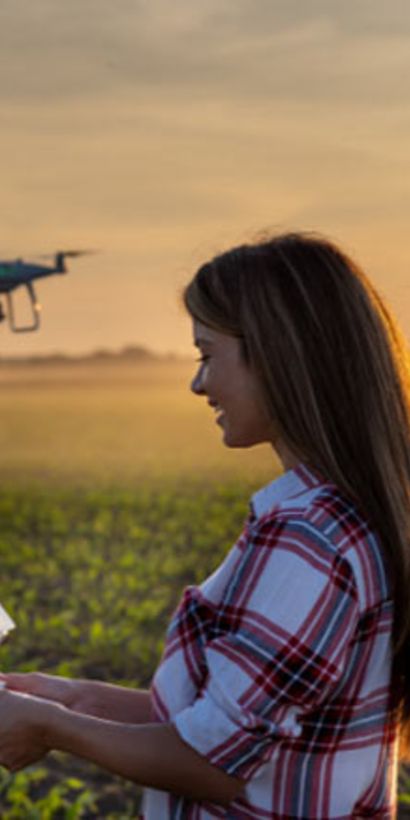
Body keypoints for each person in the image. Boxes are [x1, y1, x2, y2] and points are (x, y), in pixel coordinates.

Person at [0, 231, 409, 818]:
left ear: (277, 355)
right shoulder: (335, 519)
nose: (197, 384)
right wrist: (70, 695)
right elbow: (230, 718)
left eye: (206, 354)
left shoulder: (309, 541)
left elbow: (211, 764)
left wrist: (51, 728)